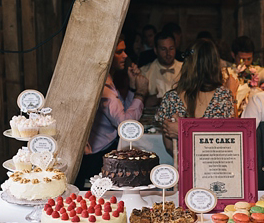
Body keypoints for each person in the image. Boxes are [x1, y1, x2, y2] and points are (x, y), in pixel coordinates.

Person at [75, 35, 149, 188]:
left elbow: (122, 112)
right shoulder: (104, 88)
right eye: (119, 52)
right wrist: (141, 94)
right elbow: (124, 125)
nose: (125, 55)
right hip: (96, 157)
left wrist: (133, 89)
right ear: (107, 55)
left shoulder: (107, 79)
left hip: (103, 149)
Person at [156, 39, 239, 155]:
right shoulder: (224, 97)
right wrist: (233, 95)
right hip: (217, 168)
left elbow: (170, 147)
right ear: (215, 65)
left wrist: (183, 132)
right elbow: (233, 142)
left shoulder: (171, 98)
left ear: (187, 64)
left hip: (184, 168)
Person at [140, 31, 182, 107]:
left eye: (171, 48)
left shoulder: (186, 70)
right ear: (156, 50)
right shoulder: (145, 72)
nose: (168, 53)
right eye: (163, 49)